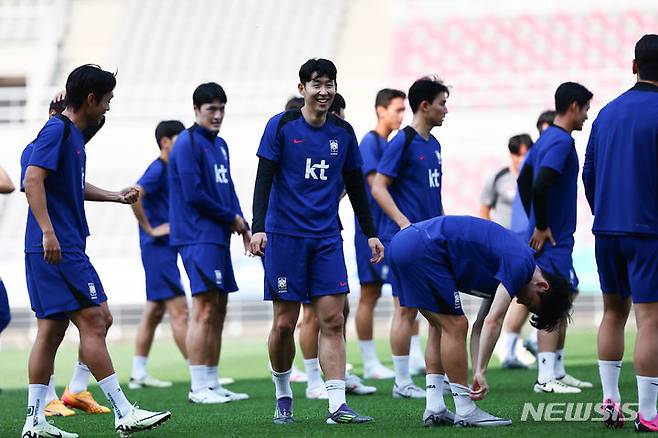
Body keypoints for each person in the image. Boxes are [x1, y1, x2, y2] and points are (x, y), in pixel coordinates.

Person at [21, 64, 171, 438]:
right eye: (106, 101)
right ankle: (123, 411)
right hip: (59, 246)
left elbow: (70, 183)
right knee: (95, 319)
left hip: (56, 245)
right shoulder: (57, 130)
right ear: (90, 99)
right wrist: (47, 232)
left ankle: (34, 420)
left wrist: (115, 196)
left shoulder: (66, 133)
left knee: (52, 329)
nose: (107, 108)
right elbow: (31, 179)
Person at [250, 58, 384, 424]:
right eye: (316, 84)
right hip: (285, 237)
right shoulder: (280, 127)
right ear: (302, 89)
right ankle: (282, 395)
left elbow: (356, 186)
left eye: (329, 84)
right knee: (284, 323)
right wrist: (257, 227)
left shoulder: (343, 133)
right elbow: (263, 179)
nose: (323, 91)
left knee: (333, 319)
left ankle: (337, 404)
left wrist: (371, 232)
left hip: (326, 237)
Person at [388, 215, 573, 427]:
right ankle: (465, 410)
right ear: (542, 286)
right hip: (420, 246)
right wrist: (481, 371)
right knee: (455, 325)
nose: (521, 303)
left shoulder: (511, 266)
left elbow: (480, 326)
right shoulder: (521, 263)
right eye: (531, 303)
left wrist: (477, 370)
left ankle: (435, 407)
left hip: (406, 243)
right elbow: (494, 321)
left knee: (439, 326)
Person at [583, 34, 658, 432]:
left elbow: (589, 173)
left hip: (607, 228)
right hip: (648, 231)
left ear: (634, 66)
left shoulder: (606, 113)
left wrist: (605, 214)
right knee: (651, 321)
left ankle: (610, 401)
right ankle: (648, 413)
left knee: (613, 313)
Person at [169, 82, 250, 404]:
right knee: (203, 308)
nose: (217, 115)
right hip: (195, 236)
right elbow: (193, 194)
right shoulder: (186, 144)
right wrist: (232, 218)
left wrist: (242, 222)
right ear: (196, 110)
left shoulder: (222, 145)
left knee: (218, 307)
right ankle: (198, 386)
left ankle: (213, 382)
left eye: (221, 109)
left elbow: (227, 187)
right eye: (211, 110)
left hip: (216, 236)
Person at [371, 76, 448, 399]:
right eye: (442, 103)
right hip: (406, 239)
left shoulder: (435, 145)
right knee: (405, 309)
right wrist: (404, 223)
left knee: (435, 310)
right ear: (426, 106)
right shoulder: (401, 142)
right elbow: (377, 186)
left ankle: (436, 379)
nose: (446, 110)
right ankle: (402, 382)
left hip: (431, 238)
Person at [518, 82, 593, 394]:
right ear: (574, 106)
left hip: (554, 238)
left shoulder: (547, 137)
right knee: (551, 299)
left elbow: (524, 179)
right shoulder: (561, 141)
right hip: (553, 240)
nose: (587, 115)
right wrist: (542, 224)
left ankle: (557, 370)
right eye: (586, 108)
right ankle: (546, 377)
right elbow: (540, 182)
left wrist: (535, 219)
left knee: (564, 295)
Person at [353, 88, 411, 380]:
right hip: (372, 230)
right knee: (370, 293)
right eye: (398, 109)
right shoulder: (370, 142)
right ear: (381, 110)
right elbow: (377, 185)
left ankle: (408, 356)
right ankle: (370, 360)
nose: (402, 115)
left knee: (403, 294)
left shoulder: (388, 143)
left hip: (388, 231)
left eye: (404, 110)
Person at [128, 120, 189, 390]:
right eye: (179, 139)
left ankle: (138, 373)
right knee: (180, 311)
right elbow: (134, 193)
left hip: (163, 248)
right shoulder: (157, 168)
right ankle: (201, 373)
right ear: (166, 142)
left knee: (153, 312)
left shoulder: (171, 169)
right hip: (157, 249)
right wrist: (150, 228)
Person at [479, 133, 534, 369]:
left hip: (527, 248)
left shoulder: (536, 177)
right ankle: (491, 351)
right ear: (511, 154)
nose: (522, 159)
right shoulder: (499, 178)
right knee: (491, 302)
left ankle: (512, 347)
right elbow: (483, 210)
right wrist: (489, 240)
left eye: (526, 153)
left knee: (523, 298)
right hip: (501, 250)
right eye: (518, 154)